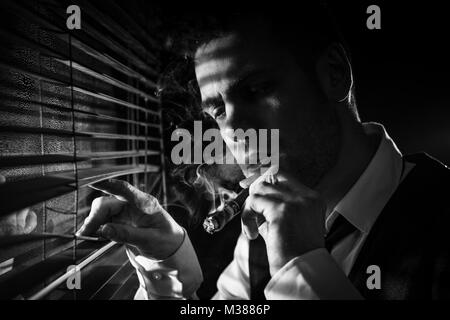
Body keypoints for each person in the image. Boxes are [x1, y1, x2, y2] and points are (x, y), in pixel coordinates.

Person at [76, 5, 450, 299]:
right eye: (218, 111)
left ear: (334, 74)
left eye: (255, 90)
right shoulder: (261, 232)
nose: (234, 132)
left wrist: (300, 268)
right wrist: (166, 267)